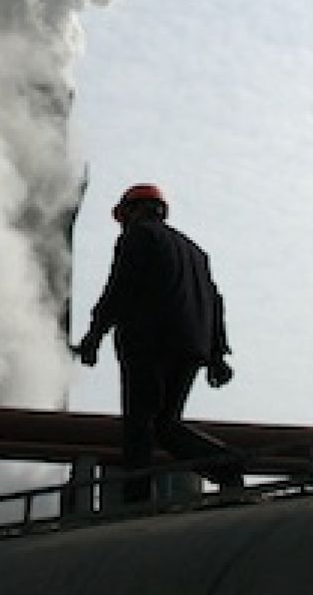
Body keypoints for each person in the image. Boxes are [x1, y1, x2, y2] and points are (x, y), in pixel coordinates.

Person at [73, 183, 245, 504]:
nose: (123, 223)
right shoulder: (195, 252)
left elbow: (120, 287)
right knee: (165, 424)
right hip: (191, 348)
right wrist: (217, 355)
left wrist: (94, 336)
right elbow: (215, 301)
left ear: (134, 210)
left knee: (139, 424)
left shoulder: (139, 236)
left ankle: (135, 500)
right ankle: (226, 465)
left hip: (149, 344)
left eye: (124, 216)